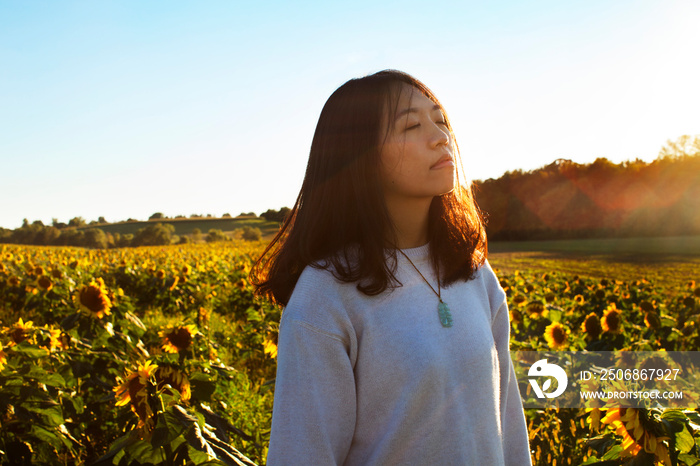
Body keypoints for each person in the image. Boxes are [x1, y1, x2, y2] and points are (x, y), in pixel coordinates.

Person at [252, 70, 531, 465]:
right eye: (412, 125)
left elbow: (508, 424)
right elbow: (302, 454)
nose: (439, 136)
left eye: (441, 120)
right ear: (359, 156)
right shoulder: (325, 295)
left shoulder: (473, 273)